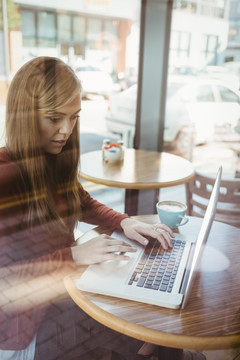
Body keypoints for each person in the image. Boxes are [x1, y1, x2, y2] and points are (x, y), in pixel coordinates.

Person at [0, 56, 206, 360]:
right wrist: (72, 255)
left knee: (151, 320)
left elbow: (79, 200)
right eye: (55, 118)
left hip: (60, 292)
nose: (66, 130)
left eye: (74, 117)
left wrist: (125, 223)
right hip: (24, 326)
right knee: (148, 336)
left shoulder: (49, 159)